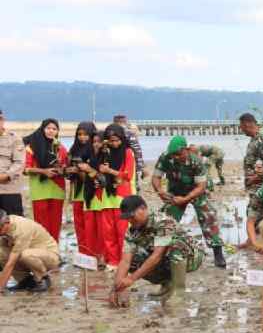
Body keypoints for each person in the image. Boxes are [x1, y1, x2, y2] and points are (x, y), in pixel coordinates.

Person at [110, 195, 202, 305]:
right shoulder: (132, 231)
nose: (130, 221)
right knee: (135, 258)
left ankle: (179, 291)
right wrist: (117, 288)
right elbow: (125, 261)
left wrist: (131, 279)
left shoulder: (163, 222)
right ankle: (167, 285)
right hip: (166, 259)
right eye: (127, 218)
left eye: (132, 216)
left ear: (143, 208)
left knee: (175, 246)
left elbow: (156, 256)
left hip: (191, 256)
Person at [152, 136, 225, 268]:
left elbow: (201, 186)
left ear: (186, 150)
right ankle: (160, 253)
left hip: (197, 191)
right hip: (176, 191)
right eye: (173, 155)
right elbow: (156, 176)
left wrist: (185, 199)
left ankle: (218, 253)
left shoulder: (196, 161)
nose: (176, 157)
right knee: (166, 220)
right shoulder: (165, 158)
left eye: (178, 154)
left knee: (209, 217)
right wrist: (160, 191)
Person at [90, 124, 136, 269]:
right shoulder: (105, 152)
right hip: (106, 196)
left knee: (122, 232)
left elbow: (127, 175)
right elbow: (95, 169)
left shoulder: (128, 152)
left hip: (121, 197)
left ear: (122, 138)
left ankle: (124, 262)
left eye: (117, 140)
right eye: (111, 140)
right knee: (107, 232)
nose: (114, 143)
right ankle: (112, 261)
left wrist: (110, 170)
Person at [24, 119, 67, 242]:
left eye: (54, 129)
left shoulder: (61, 147)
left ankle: (54, 252)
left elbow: (65, 166)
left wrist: (62, 169)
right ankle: (43, 252)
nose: (51, 131)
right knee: (41, 225)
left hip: (57, 189)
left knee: (56, 223)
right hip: (39, 190)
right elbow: (26, 169)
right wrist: (44, 171)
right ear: (42, 129)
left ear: (57, 131)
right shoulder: (32, 147)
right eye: (48, 128)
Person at [0, 209, 58, 292]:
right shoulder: (7, 226)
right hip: (29, 255)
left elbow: (11, 263)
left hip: (49, 255)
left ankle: (42, 279)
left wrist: (1, 287)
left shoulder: (21, 229)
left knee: (25, 254)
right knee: (1, 252)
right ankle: (25, 281)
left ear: (6, 223)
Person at [67, 122, 100, 260]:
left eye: (85, 134)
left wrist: (81, 170)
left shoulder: (95, 150)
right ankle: (83, 253)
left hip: (90, 193)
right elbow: (69, 174)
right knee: (79, 225)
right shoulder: (73, 149)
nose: (82, 137)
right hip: (77, 193)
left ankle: (93, 254)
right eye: (79, 134)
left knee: (90, 226)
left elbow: (95, 173)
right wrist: (69, 170)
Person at [0, 109, 25, 217]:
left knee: (13, 226)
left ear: (2, 120)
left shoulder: (14, 138)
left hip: (9, 191)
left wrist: (6, 175)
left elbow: (19, 163)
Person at [112, 114, 146, 181]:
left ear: (114, 122)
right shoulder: (129, 133)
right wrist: (140, 168)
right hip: (128, 162)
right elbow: (137, 151)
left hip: (114, 163)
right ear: (125, 121)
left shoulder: (110, 132)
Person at [240, 113, 263, 189]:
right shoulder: (254, 139)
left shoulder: (261, 140)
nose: (241, 129)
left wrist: (255, 178)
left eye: (241, 126)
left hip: (260, 185)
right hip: (254, 185)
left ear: (247, 125)